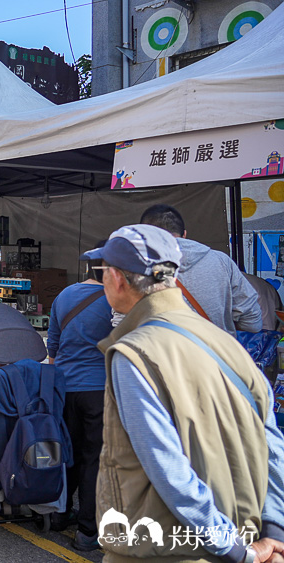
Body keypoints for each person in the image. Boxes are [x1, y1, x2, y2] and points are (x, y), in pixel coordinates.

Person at [86, 225, 284, 560]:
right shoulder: (227, 345)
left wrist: (232, 548)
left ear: (117, 279)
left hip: (166, 549)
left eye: (103, 270)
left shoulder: (134, 353)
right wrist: (274, 529)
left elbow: (168, 467)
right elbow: (272, 444)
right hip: (243, 536)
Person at [45, 240, 112, 548]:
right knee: (93, 460)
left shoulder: (65, 295)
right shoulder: (115, 300)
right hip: (99, 390)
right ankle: (87, 531)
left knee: (66, 455)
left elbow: (53, 347)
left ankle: (59, 514)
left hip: (65, 388)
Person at [140, 204, 261, 336]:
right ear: (184, 234)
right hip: (215, 348)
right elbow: (252, 322)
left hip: (162, 349)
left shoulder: (137, 269)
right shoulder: (222, 261)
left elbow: (126, 324)